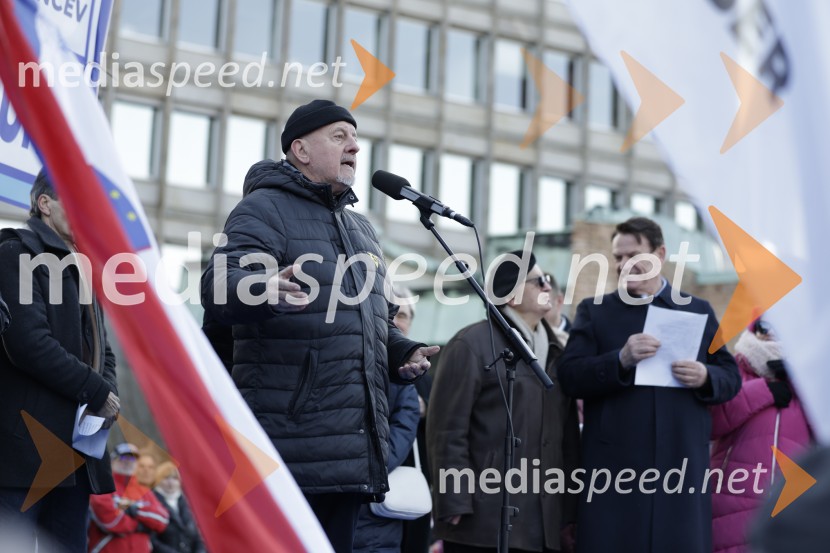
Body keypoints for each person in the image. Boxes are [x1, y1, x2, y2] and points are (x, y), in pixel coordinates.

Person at [201, 99, 439, 552]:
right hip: (290, 444)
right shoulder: (264, 209)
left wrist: (401, 352)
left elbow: (373, 321)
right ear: (300, 150)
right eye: (339, 136)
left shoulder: (362, 230)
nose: (355, 146)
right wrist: (262, 288)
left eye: (355, 137)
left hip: (350, 451)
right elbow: (219, 283)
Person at [556, 216, 741, 553]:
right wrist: (620, 359)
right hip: (616, 473)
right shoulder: (595, 311)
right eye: (618, 257)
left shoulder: (698, 310)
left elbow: (730, 376)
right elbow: (569, 376)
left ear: (659, 254)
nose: (623, 264)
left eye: (632, 255)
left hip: (680, 466)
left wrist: (705, 376)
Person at [427, 250, 580, 553]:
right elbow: (446, 430)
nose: (548, 287)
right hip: (481, 521)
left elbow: (567, 440)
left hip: (542, 525)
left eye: (547, 280)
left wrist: (569, 510)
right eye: (539, 281)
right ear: (510, 297)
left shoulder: (556, 352)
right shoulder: (470, 345)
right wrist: (454, 498)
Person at [0, 169, 120, 551]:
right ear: (44, 204)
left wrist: (109, 395)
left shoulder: (84, 265)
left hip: (76, 458)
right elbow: (28, 342)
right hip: (25, 453)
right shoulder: (16, 251)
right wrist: (97, 389)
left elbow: (105, 350)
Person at [709, 319, 812, 553]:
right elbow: (712, 422)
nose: (771, 335)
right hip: (732, 497)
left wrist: (798, 378)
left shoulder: (814, 378)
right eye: (765, 327)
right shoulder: (734, 369)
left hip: (793, 502)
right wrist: (765, 390)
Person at [354, 287, 421, 553]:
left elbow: (404, 429)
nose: (395, 322)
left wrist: (364, 466)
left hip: (377, 507)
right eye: (390, 314)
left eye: (402, 315)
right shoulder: (350, 355)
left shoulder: (409, 375)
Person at [88, 443, 170, 553]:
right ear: (112, 461)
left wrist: (134, 509)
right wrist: (142, 526)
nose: (128, 461)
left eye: (133, 458)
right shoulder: (103, 485)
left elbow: (162, 519)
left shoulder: (143, 490)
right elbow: (110, 522)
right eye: (123, 457)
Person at [151, 462, 206, 553]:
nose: (171, 482)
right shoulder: (152, 501)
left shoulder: (190, 503)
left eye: (174, 478)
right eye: (166, 478)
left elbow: (199, 536)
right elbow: (152, 539)